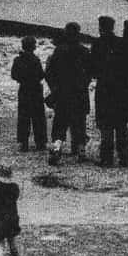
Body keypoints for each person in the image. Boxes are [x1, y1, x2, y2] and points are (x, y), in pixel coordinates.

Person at [44, 22, 91, 163]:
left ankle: (57, 148)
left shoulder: (59, 50)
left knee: (60, 123)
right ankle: (81, 150)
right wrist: (84, 85)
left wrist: (54, 88)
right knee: (79, 122)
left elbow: (49, 72)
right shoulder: (84, 51)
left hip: (62, 92)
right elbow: (89, 72)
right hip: (79, 92)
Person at [92, 16, 128, 167]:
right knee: (121, 125)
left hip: (104, 88)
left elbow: (94, 70)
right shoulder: (123, 43)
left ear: (100, 27)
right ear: (113, 26)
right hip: (122, 88)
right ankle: (124, 158)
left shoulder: (97, 44)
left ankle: (106, 158)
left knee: (106, 125)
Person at [10, 35, 48, 151]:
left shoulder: (17, 60)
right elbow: (41, 75)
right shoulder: (36, 60)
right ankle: (40, 142)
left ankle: (23, 142)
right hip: (36, 89)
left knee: (23, 117)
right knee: (38, 117)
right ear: (33, 47)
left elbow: (14, 75)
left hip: (24, 89)